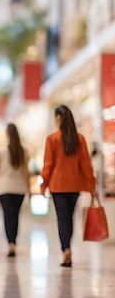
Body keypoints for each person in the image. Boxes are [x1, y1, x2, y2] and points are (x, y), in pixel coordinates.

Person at [41, 104, 96, 268]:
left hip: (58, 186)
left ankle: (65, 249)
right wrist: (92, 186)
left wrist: (44, 183)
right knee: (69, 219)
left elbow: (48, 164)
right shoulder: (79, 139)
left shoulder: (52, 139)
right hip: (74, 186)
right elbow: (86, 165)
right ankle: (68, 248)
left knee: (62, 219)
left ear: (58, 118)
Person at [0, 123, 30, 258]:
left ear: (7, 134)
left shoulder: (1, 150)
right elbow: (26, 172)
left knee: (7, 215)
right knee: (15, 216)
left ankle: (10, 243)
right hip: (19, 188)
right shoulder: (23, 151)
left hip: (3, 187)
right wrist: (29, 189)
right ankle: (14, 241)